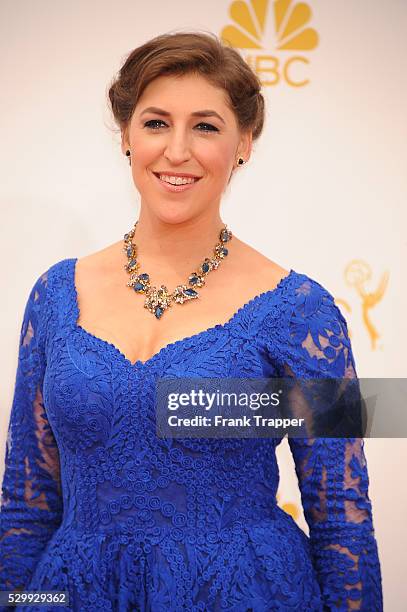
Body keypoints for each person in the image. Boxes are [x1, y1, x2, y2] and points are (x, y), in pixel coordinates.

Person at [0, 31, 383, 611]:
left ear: (244, 142)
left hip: (245, 593)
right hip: (79, 594)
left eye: (205, 126)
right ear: (127, 135)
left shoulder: (302, 311)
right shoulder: (56, 294)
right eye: (156, 123)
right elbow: (26, 504)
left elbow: (342, 518)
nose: (177, 151)